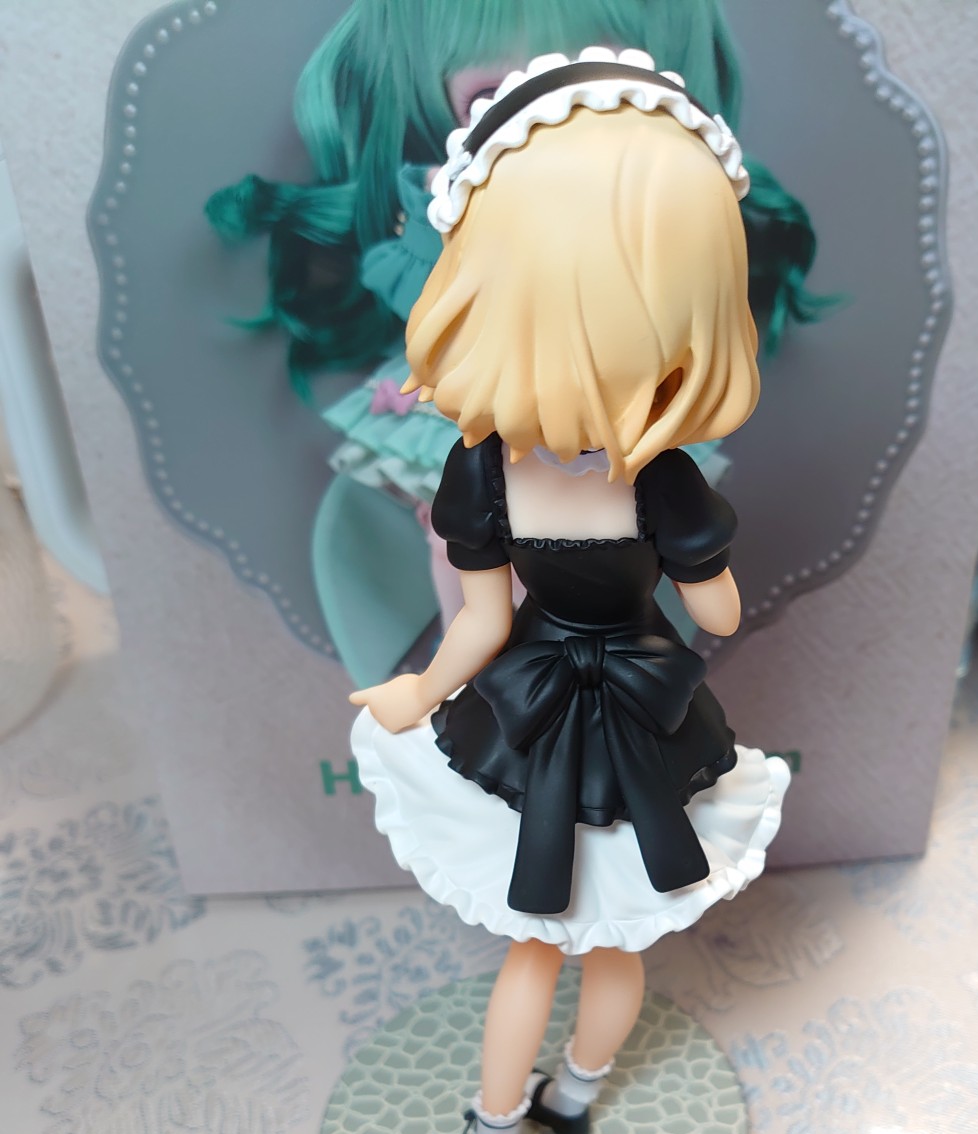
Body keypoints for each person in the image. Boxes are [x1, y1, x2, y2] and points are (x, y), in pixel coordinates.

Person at [349, 49, 791, 1134]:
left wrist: (413, 693)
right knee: (615, 945)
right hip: (640, 716)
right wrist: (703, 569)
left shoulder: (487, 470)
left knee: (533, 947)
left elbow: (482, 622)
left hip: (531, 714)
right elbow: (717, 612)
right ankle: (578, 1093)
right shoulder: (666, 479)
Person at [206, 1, 825, 677]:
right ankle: (470, 665)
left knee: (578, 543)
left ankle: (554, 658)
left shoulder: (646, 194)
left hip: (597, 406)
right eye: (492, 92)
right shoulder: (456, 191)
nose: (538, 103)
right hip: (488, 400)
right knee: (459, 542)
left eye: (588, 79)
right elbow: (414, 291)